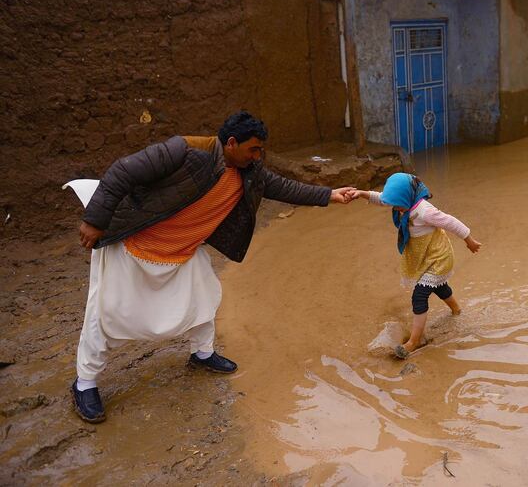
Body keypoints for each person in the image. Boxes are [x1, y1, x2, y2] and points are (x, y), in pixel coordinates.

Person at [70, 111, 355, 423]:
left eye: (261, 150)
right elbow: (122, 171)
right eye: (254, 149)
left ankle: (202, 354)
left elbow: (284, 187)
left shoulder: (249, 171)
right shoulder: (185, 151)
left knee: (205, 298)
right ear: (231, 143)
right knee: (104, 313)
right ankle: (85, 383)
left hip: (183, 251)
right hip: (135, 244)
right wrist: (94, 220)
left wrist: (330, 195)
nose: (258, 156)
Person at [349, 173, 482, 359]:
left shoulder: (425, 211)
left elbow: (451, 222)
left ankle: (414, 341)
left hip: (438, 258)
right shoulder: (402, 203)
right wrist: (362, 194)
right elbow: (382, 199)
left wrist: (470, 241)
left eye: (396, 204)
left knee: (420, 295)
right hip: (424, 256)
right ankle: (456, 309)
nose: (393, 208)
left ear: (405, 198)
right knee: (439, 286)